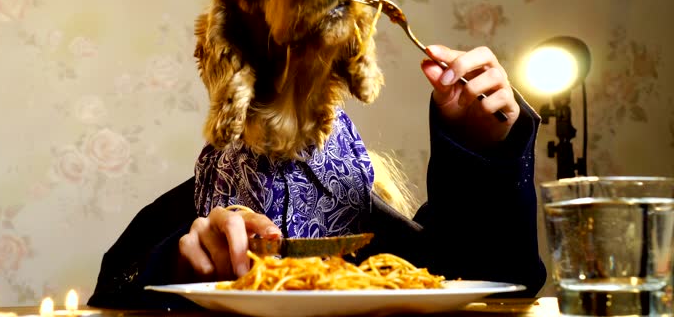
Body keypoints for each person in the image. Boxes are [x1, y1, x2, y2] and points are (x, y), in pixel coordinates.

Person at [87, 44, 546, 309]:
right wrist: (177, 274)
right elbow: (111, 294)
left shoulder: (387, 239)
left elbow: (497, 283)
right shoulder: (171, 222)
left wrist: (482, 152)